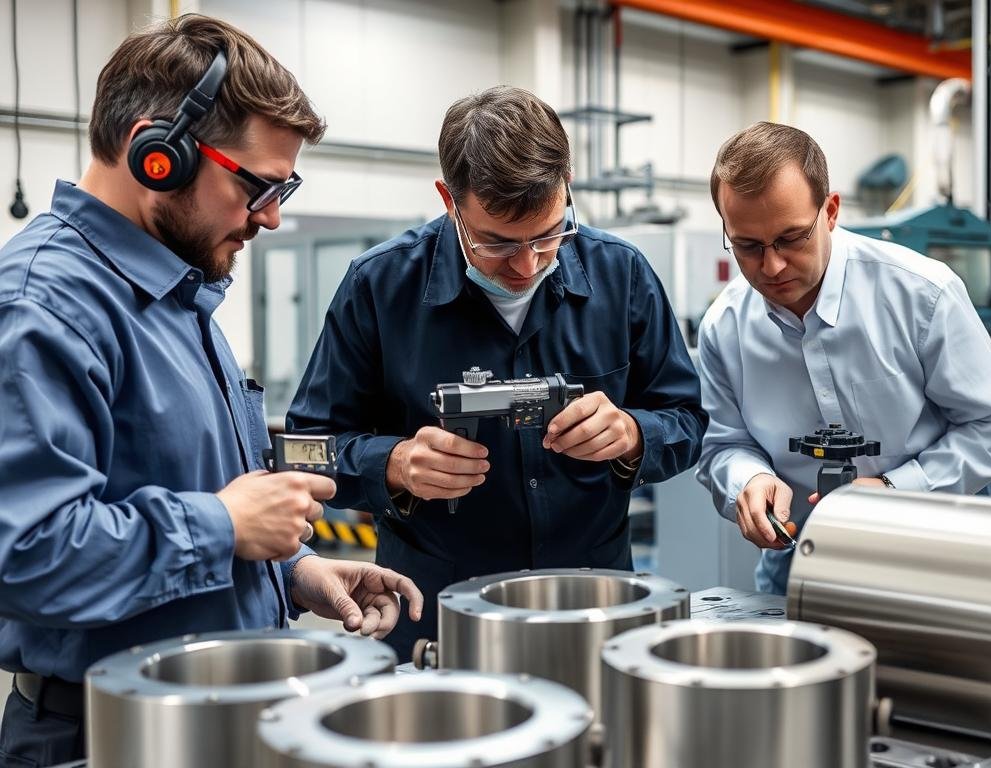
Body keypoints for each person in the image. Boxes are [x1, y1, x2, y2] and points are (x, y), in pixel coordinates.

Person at [0, 17, 423, 765]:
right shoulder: (46, 306)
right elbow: (25, 556)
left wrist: (293, 573)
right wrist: (223, 528)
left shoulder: (177, 296)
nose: (272, 215)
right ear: (156, 154)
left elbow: (194, 494)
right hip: (106, 735)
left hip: (217, 716)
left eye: (282, 188)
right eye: (256, 185)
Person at [286, 86, 707, 660]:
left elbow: (685, 418)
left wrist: (634, 436)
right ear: (448, 200)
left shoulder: (623, 276)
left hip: (593, 606)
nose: (527, 264)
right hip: (435, 614)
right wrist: (395, 465)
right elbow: (305, 448)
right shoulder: (380, 288)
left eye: (548, 234)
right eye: (498, 244)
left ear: (568, 188)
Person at [696, 122, 991, 595]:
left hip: (938, 550)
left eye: (792, 238)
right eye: (748, 246)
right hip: (805, 553)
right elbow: (722, 445)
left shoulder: (922, 295)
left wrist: (898, 491)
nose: (771, 266)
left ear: (830, 211)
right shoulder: (725, 327)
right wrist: (747, 479)